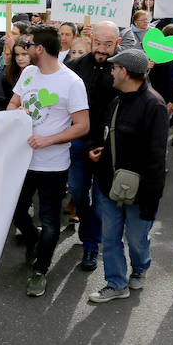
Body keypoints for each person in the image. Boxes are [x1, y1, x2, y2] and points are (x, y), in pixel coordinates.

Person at [7, 25, 89, 297]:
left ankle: (40, 270)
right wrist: (16, 113)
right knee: (16, 211)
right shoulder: (29, 73)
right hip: (22, 160)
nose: (23, 51)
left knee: (51, 220)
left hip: (52, 165)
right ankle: (33, 242)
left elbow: (82, 125)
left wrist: (47, 140)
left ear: (39, 49)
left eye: (28, 46)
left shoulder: (72, 82)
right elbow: (12, 104)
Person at [86, 49, 168, 303]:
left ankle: (140, 267)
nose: (110, 72)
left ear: (124, 71)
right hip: (108, 186)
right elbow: (105, 133)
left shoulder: (155, 106)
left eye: (114, 68)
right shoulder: (116, 100)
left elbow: (156, 159)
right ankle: (116, 283)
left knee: (136, 239)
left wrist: (150, 203)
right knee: (110, 238)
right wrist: (96, 149)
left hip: (139, 193)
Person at [63, 20, 122, 270]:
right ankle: (88, 230)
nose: (101, 49)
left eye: (108, 45)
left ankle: (90, 245)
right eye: (98, 43)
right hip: (78, 143)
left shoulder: (123, 68)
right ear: (90, 39)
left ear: (117, 44)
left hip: (108, 147)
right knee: (77, 191)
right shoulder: (74, 67)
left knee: (100, 201)